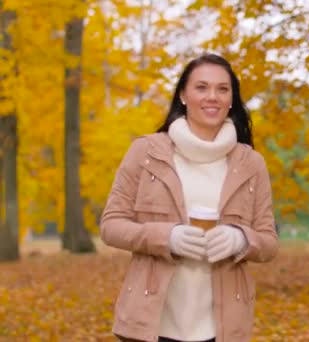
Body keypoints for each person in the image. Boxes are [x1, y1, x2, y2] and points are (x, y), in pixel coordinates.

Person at [100, 53, 279, 342]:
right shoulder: (146, 152)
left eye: (223, 89)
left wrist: (241, 239)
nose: (213, 97)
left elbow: (269, 242)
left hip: (222, 329)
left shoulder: (251, 163)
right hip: (151, 326)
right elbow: (111, 225)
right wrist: (166, 237)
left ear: (232, 99)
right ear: (183, 95)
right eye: (201, 87)